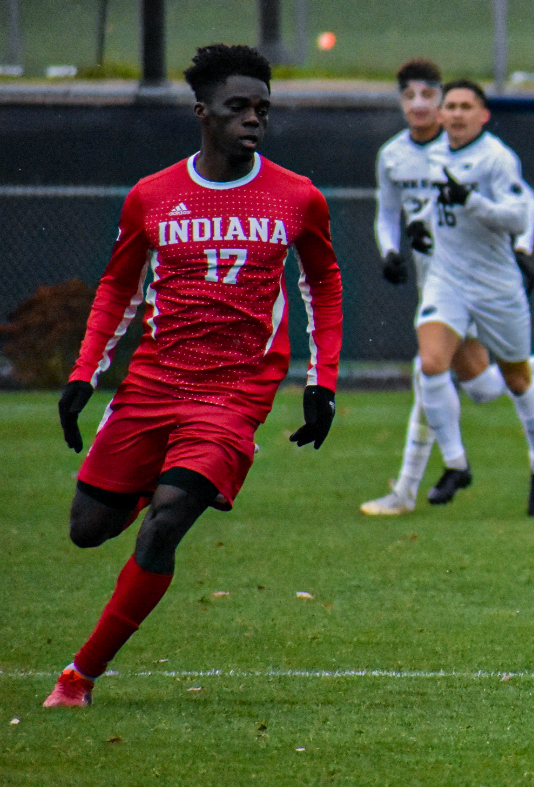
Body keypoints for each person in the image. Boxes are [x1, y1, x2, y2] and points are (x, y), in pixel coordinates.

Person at [45, 44, 343, 708]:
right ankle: (166, 472)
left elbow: (324, 282)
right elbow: (118, 288)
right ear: (202, 112)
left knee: (168, 519)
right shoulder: (152, 196)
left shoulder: (298, 197)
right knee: (88, 529)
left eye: (263, 109)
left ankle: (79, 677)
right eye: (239, 107)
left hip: (234, 394)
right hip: (152, 385)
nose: (254, 120)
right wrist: (83, 375)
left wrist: (323, 381)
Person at [361, 61, 534, 518]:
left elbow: (522, 207)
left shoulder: (493, 156)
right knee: (432, 367)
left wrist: (522, 248)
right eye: (411, 96)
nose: (429, 107)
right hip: (442, 277)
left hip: (494, 282)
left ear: (479, 113)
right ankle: (440, 473)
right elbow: (407, 211)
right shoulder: (402, 155)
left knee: (502, 382)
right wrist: (402, 242)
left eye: (444, 100)